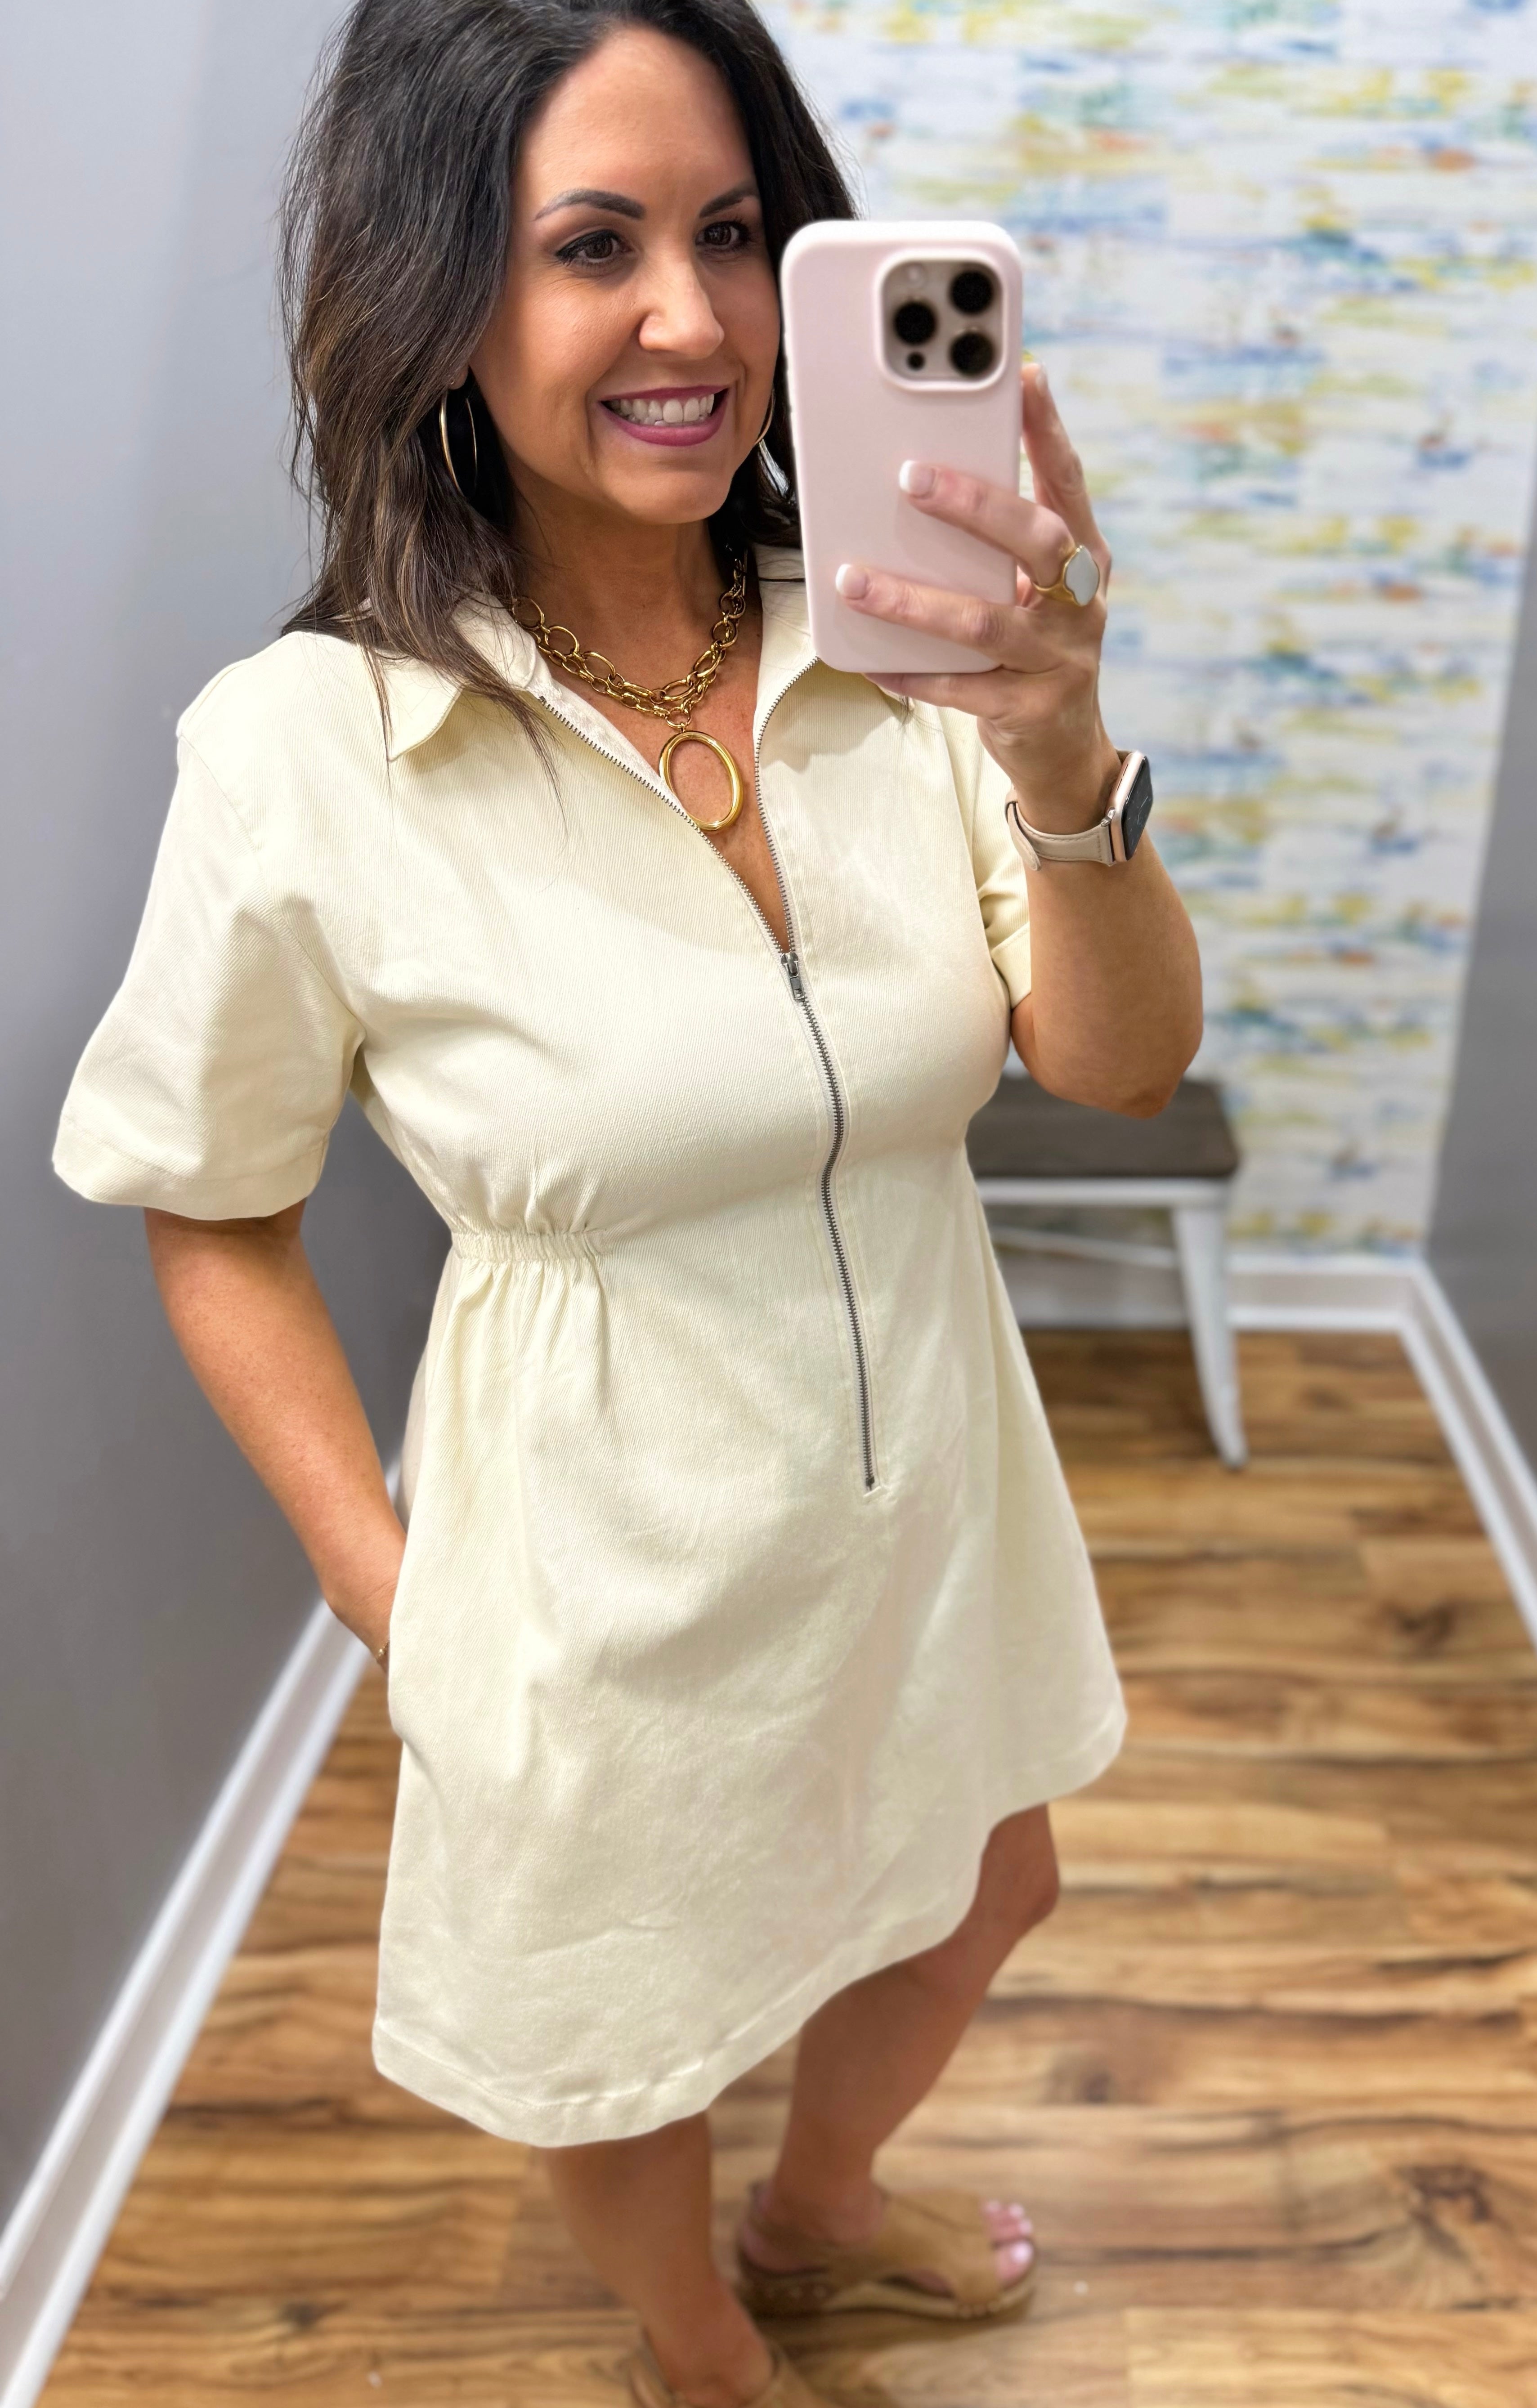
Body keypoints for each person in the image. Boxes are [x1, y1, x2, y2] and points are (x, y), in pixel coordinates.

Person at [50, 4, 1202, 2402]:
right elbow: (208, 1204)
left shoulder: (899, 649)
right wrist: (389, 1585)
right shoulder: (314, 750)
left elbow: (1113, 1065)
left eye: (736, 235)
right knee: (626, 2025)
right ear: (439, 295)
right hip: (596, 1546)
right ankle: (697, 2340)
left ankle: (821, 2216)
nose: (692, 317)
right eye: (594, 248)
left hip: (931, 1470)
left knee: (986, 1881)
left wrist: (1060, 742)